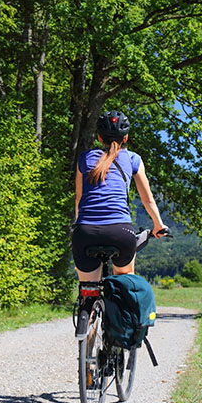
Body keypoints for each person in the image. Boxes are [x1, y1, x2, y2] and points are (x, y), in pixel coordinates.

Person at [72, 110, 168, 282]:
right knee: (125, 280)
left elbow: (79, 199)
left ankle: (88, 306)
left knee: (87, 289)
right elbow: (148, 199)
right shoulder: (133, 159)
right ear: (125, 138)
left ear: (99, 137)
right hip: (120, 231)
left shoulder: (85, 158)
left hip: (85, 231)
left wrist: (81, 226)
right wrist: (158, 225)